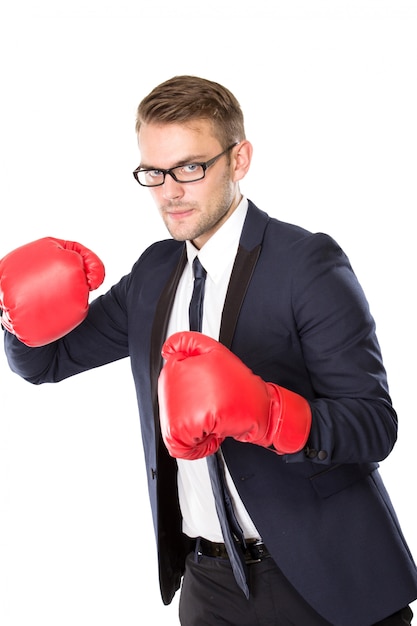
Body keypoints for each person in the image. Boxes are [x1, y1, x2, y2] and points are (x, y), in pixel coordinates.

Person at [1, 75, 416, 626]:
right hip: (208, 584)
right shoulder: (154, 273)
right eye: (154, 172)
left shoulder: (306, 264)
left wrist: (271, 415)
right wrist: (13, 312)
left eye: (191, 168)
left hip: (326, 579)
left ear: (238, 159)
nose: (170, 191)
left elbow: (374, 426)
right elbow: (46, 362)